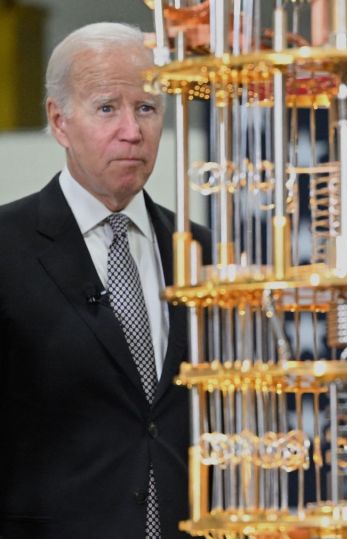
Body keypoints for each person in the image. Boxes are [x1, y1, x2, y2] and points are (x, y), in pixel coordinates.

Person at [0, 22, 209, 538]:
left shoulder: (200, 250)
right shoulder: (7, 247)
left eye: (147, 108)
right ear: (60, 121)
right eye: (107, 108)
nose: (133, 131)